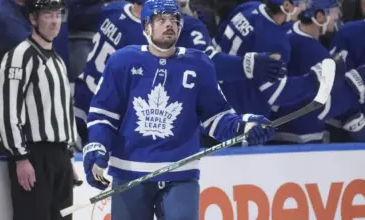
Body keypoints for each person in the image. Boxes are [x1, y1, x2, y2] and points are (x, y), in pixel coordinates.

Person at [82, 0, 275, 219]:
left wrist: (245, 125)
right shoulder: (122, 61)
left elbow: (217, 118)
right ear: (146, 26)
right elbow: (103, 115)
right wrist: (97, 146)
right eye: (161, 19)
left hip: (180, 173)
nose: (169, 24)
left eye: (174, 19)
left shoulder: (199, 64)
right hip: (130, 173)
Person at [74, 0, 285, 147]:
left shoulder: (113, 9)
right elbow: (208, 63)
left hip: (82, 106)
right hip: (112, 121)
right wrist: (246, 65)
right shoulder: (158, 33)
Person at [0, 0, 77, 219]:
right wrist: (20, 158)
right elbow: (7, 110)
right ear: (33, 19)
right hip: (34, 155)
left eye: (58, 15)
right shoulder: (19, 56)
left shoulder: (58, 61)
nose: (54, 21)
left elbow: (63, 111)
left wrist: (68, 157)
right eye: (48, 15)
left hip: (59, 156)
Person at [213, 0, 331, 118]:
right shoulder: (276, 41)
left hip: (214, 99)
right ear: (286, 6)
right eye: (300, 3)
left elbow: (214, 45)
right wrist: (313, 80)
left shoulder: (247, 7)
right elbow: (275, 92)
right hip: (240, 113)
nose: (303, 8)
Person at [270, 0, 365, 144]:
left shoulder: (287, 30)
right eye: (333, 12)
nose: (337, 17)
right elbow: (333, 103)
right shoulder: (318, 55)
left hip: (275, 126)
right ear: (319, 17)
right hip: (303, 136)